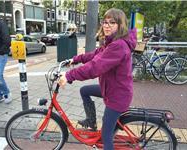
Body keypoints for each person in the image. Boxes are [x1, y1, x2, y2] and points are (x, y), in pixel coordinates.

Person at [58, 8, 137, 150]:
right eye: (105, 22)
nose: (106, 26)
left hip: (117, 96)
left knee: (106, 136)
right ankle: (91, 121)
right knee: (84, 91)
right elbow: (95, 55)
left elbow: (96, 66)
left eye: (112, 22)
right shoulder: (112, 42)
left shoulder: (118, 46)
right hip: (112, 88)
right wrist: (74, 59)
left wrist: (69, 75)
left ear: (120, 25)